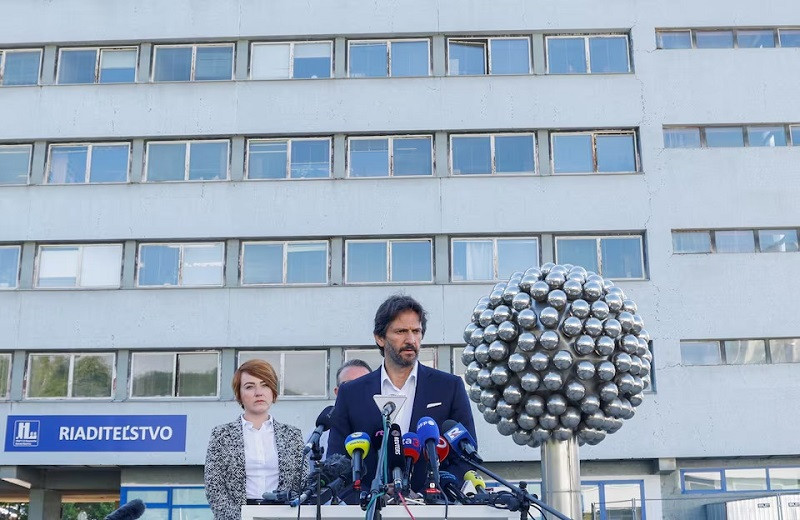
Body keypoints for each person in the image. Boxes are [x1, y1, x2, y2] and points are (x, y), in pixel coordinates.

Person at [328, 294, 477, 500]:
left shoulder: (449, 387)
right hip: (368, 511)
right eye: (401, 331)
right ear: (379, 338)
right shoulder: (351, 393)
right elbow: (337, 463)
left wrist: (427, 497)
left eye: (416, 331)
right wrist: (368, 499)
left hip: (431, 511)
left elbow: (464, 459)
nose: (411, 340)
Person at [204, 359, 306, 520]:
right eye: (250, 386)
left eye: (265, 384)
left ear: (273, 392)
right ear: (239, 394)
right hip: (238, 516)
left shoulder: (293, 435)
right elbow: (214, 488)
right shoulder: (221, 435)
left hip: (284, 515)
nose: (258, 392)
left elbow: (302, 483)